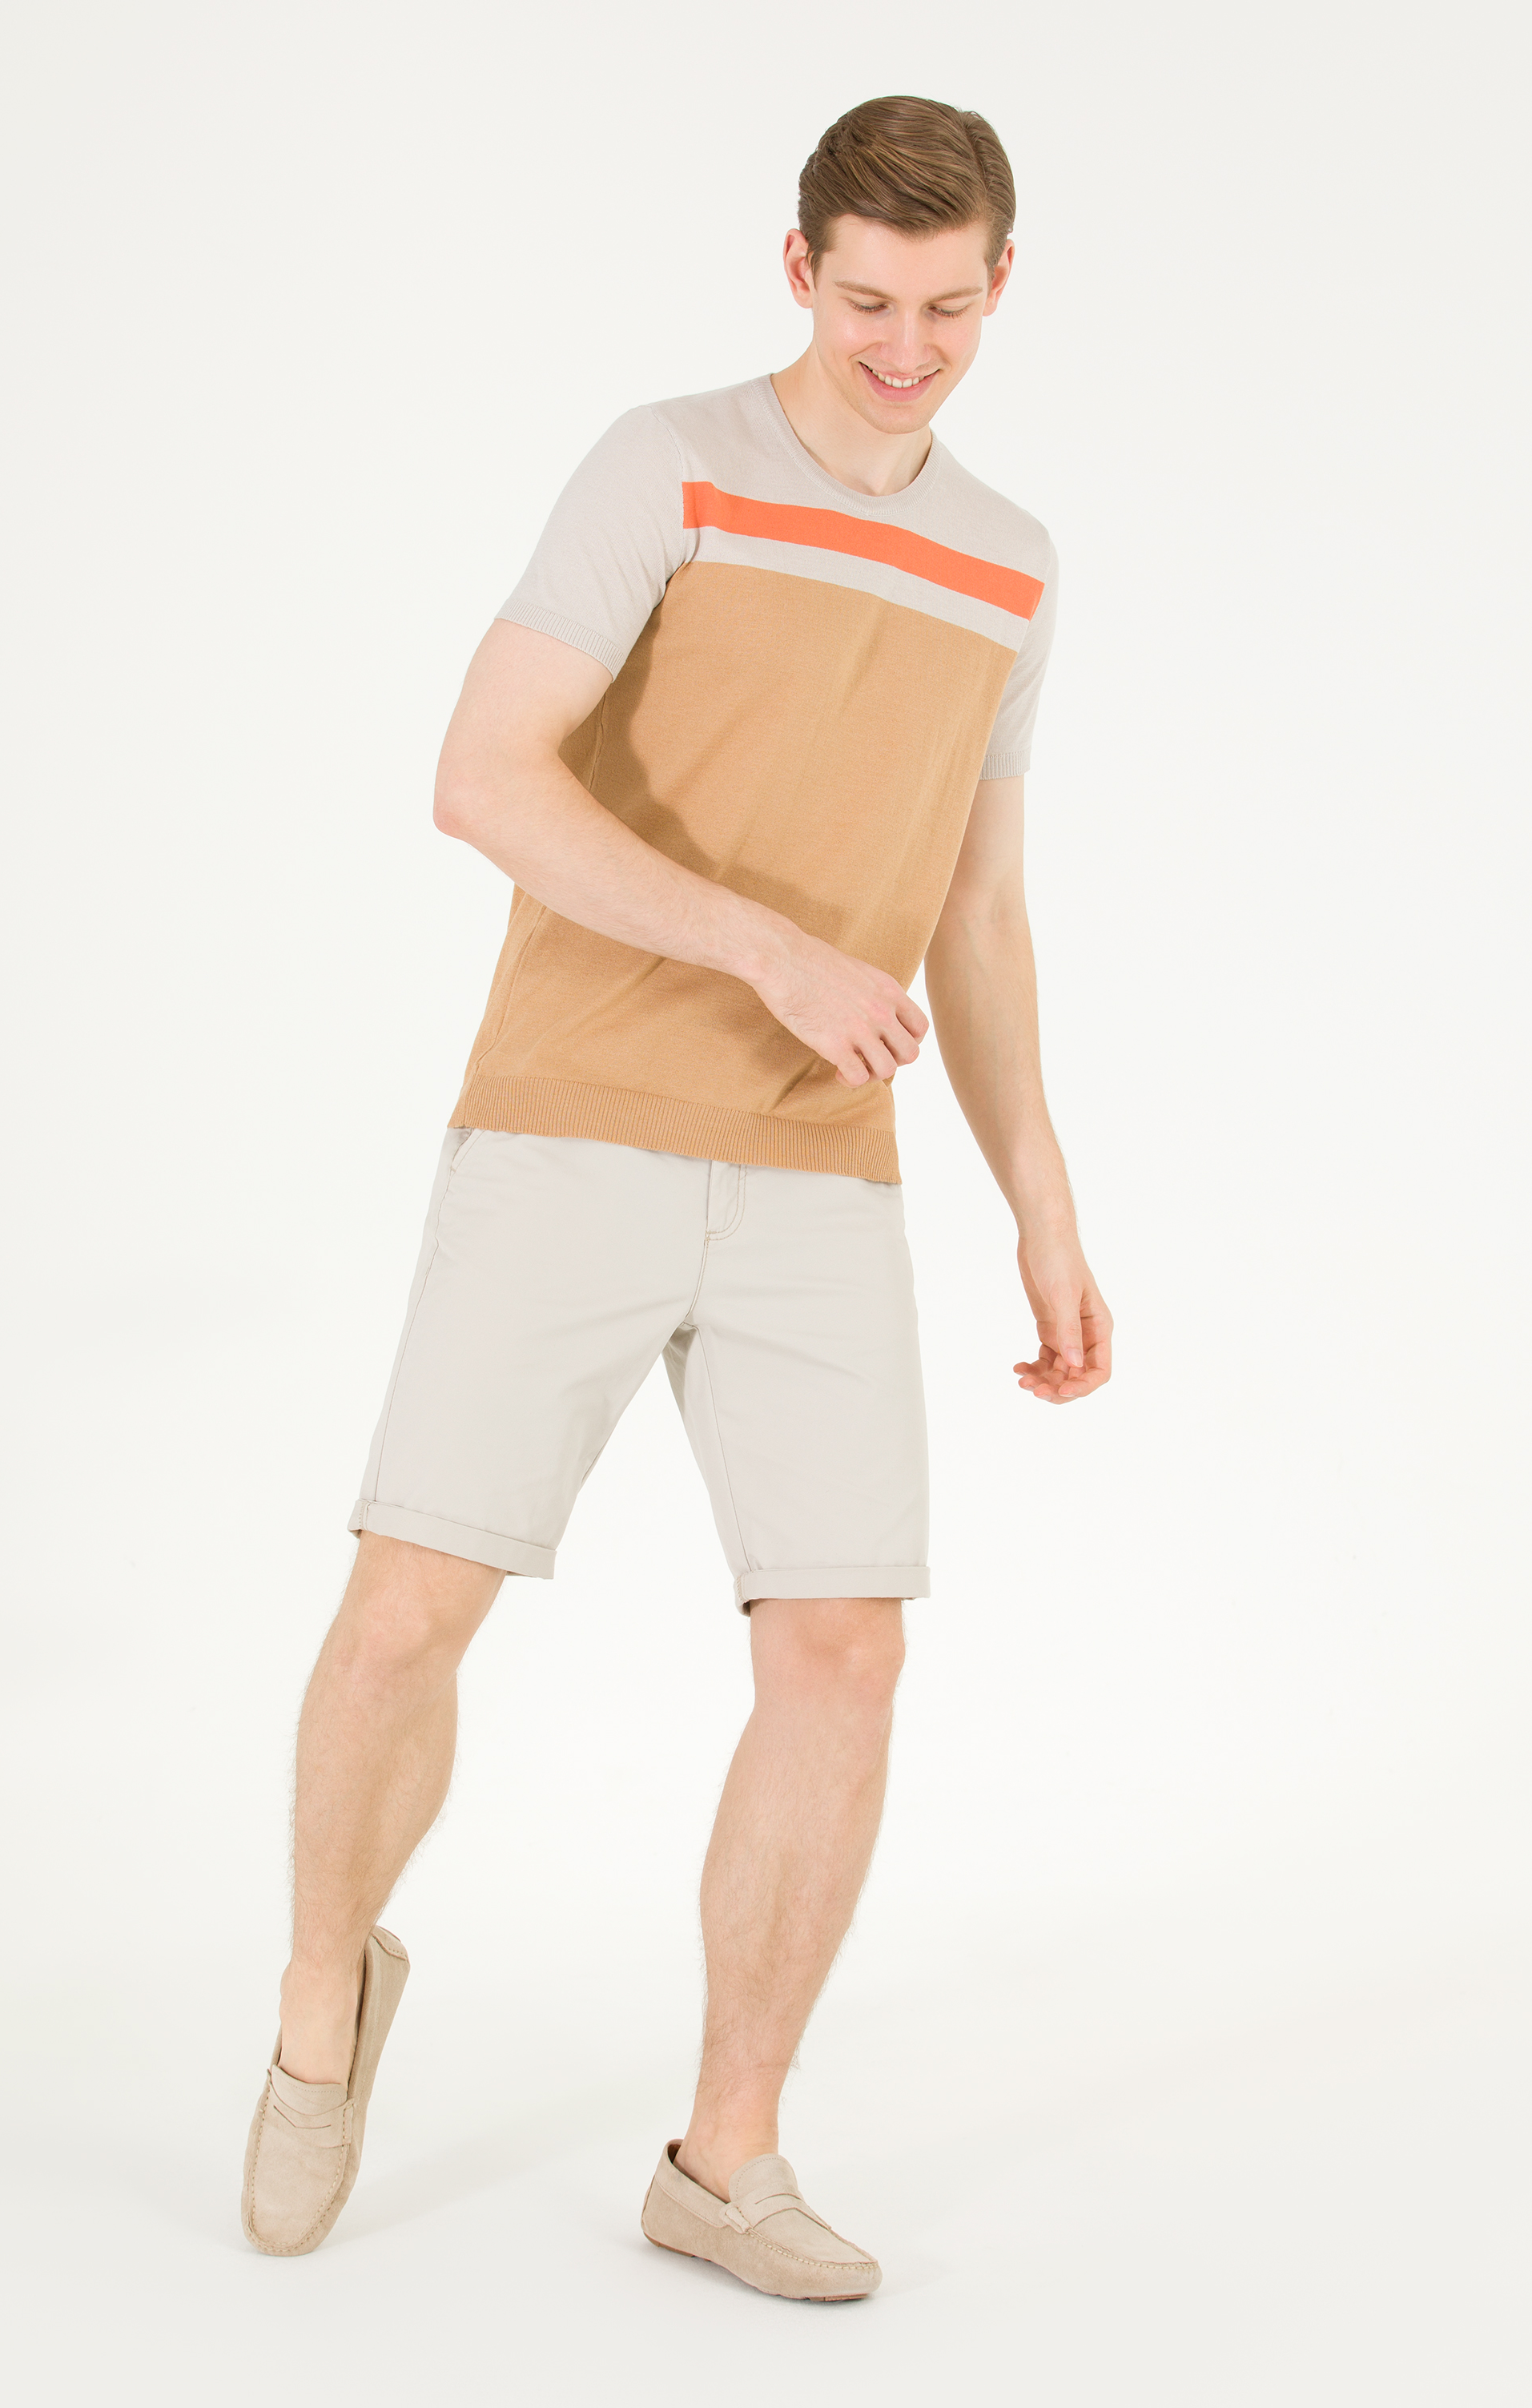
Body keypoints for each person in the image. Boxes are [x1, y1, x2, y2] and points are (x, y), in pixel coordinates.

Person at [240, 91, 1112, 2298]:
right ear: (797, 267)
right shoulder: (669, 465)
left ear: (1002, 284)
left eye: (946, 308)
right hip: (575, 1118)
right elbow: (479, 775)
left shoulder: (1011, 560)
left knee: (844, 1649)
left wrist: (1040, 1200)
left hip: (823, 1169)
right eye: (865, 299)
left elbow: (980, 913)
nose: (902, 348)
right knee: (408, 1614)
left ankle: (724, 2159)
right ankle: (325, 2000)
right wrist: (769, 951)